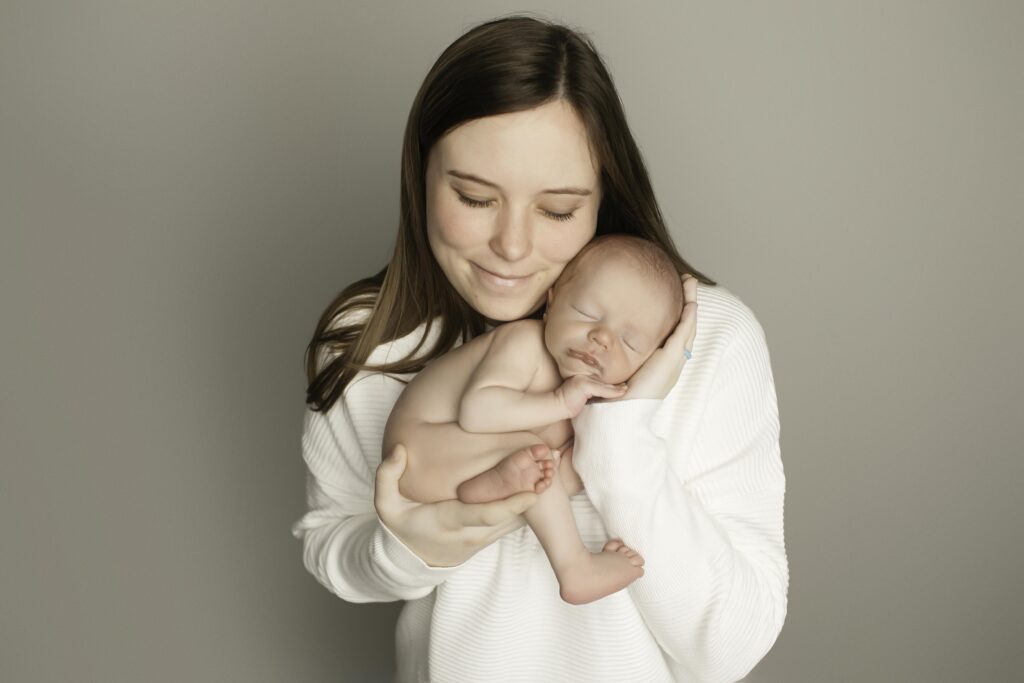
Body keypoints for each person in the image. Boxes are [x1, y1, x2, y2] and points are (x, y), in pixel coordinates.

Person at [291, 15, 788, 683]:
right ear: (421, 177)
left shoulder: (707, 341)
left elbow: (729, 648)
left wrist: (621, 429)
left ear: (604, 195)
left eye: (556, 210)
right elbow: (332, 546)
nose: (513, 248)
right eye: (474, 197)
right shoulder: (371, 340)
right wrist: (409, 550)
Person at [385, 235, 687, 606]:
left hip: (457, 471)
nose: (601, 338)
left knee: (561, 465)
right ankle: (575, 567)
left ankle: (487, 487)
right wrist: (560, 401)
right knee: (538, 454)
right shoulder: (524, 342)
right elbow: (477, 412)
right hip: (418, 449)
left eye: (630, 342)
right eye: (588, 314)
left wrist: (635, 401)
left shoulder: (588, 401)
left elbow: (588, 466)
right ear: (552, 301)